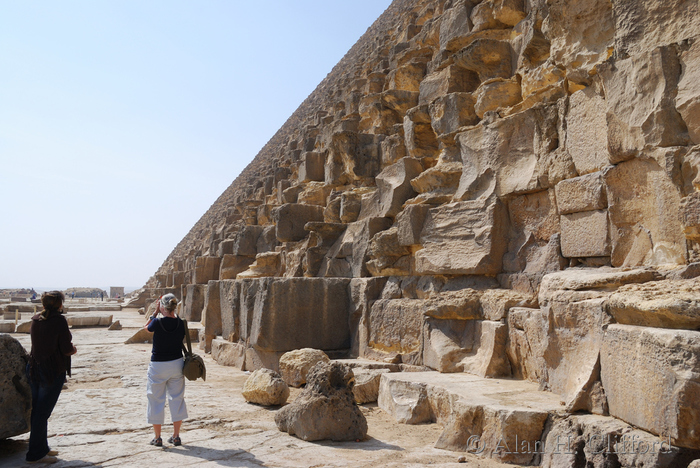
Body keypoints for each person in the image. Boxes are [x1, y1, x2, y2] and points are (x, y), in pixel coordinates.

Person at [26, 291, 77, 464]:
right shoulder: (59, 321)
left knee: (38, 411)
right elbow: (66, 348)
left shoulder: (35, 319)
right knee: (42, 412)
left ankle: (41, 448)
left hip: (34, 369)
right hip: (51, 371)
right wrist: (73, 350)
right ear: (60, 304)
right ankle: (35, 454)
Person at [144, 293, 187, 447]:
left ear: (162, 305)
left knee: (156, 400)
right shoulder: (181, 323)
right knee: (177, 399)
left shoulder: (157, 322)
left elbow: (146, 329)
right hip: (176, 364)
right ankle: (176, 436)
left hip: (158, 366)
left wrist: (155, 312)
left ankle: (157, 437)